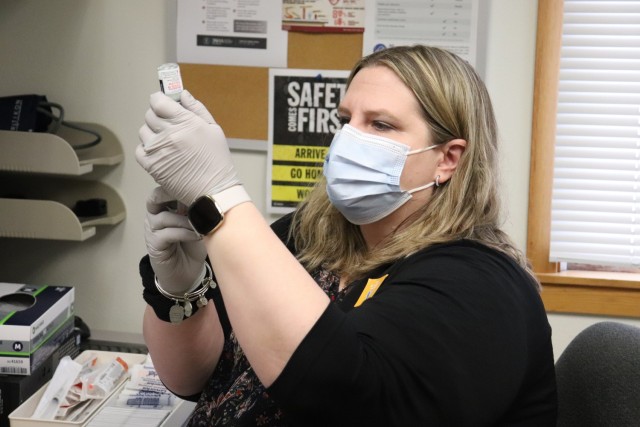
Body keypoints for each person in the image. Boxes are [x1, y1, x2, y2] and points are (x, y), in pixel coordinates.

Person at [135, 45, 558, 426]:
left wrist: (220, 199)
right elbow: (197, 379)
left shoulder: (479, 285)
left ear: (447, 158)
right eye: (345, 120)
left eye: (381, 125)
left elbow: (346, 398)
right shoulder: (312, 234)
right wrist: (181, 292)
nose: (349, 139)